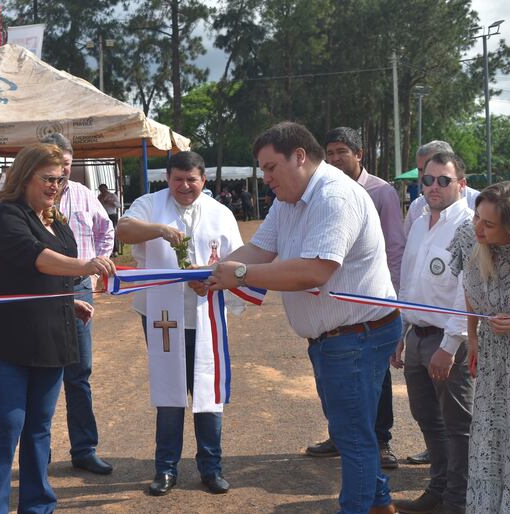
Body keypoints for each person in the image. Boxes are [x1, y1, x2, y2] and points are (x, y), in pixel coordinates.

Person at [205, 122, 401, 514]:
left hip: (356, 335)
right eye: (262, 169)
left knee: (354, 437)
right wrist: (210, 273)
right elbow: (260, 250)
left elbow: (314, 270)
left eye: (270, 167)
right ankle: (380, 506)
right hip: (337, 338)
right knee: (352, 432)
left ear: (299, 157)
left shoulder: (335, 196)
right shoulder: (288, 199)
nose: (266, 178)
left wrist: (237, 275)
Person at [0, 143, 115, 513]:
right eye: (47, 178)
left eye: (60, 179)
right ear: (25, 176)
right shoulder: (5, 216)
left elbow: (47, 279)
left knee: (39, 428)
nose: (55, 185)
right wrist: (86, 266)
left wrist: (67, 302)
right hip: (6, 339)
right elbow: (38, 260)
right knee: (8, 425)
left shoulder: (57, 219)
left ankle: (37, 506)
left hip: (51, 337)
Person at [116, 150, 243, 496]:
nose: (184, 186)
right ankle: (166, 468)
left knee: (206, 391)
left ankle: (210, 467)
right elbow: (123, 230)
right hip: (161, 316)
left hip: (206, 313)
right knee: (170, 391)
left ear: (203, 179)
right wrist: (159, 230)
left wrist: (217, 281)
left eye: (192, 180)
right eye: (177, 179)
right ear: (167, 179)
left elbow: (237, 260)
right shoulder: (150, 204)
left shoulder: (221, 214)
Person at [302, 127, 406, 469]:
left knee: (376, 378)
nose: (334, 159)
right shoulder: (320, 193)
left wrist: (394, 299)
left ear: (359, 154)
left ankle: (381, 441)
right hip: (333, 305)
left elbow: (393, 247)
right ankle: (339, 434)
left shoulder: (380, 192)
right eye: (329, 153)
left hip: (372, 308)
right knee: (333, 377)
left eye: (341, 152)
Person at [391, 152, 474, 514]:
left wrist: (451, 345)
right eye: (428, 180)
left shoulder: (469, 226)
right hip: (416, 334)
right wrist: (400, 330)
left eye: (444, 180)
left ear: (462, 184)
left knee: (458, 426)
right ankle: (439, 490)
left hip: (447, 341)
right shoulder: (420, 221)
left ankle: (459, 499)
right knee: (427, 418)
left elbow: (467, 292)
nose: (434, 186)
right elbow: (409, 281)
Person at [455, 182, 510, 513]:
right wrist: (472, 336)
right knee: (491, 436)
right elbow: (470, 291)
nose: (478, 227)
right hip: (493, 358)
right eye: (477, 217)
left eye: (488, 224)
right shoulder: (470, 239)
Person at [40, 133, 115, 475]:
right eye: (56, 167)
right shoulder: (29, 200)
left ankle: (84, 449)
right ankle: (39, 453)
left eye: (67, 165)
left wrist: (97, 264)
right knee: (41, 370)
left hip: (80, 289)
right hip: (41, 292)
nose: (63, 173)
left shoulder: (85, 196)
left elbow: (107, 230)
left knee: (79, 372)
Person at [404, 141, 478, 238]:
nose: (423, 175)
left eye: (443, 180)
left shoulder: (478, 204)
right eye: (421, 170)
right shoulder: (416, 209)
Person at [97, 183, 121, 256]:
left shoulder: (112, 195)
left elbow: (118, 205)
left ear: (106, 189)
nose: (102, 191)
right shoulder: (99, 197)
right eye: (101, 190)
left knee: (112, 232)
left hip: (112, 215)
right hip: (103, 216)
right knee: (103, 233)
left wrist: (111, 202)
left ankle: (115, 250)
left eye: (104, 189)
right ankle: (106, 250)